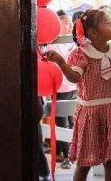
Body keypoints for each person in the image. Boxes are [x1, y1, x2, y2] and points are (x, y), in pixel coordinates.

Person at [44, 9, 111, 181]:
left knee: (110, 161)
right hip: (90, 114)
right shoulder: (82, 54)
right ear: (93, 32)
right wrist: (62, 63)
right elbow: (75, 77)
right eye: (107, 23)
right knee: (84, 162)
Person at [45, 9, 76, 169]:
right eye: (66, 22)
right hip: (58, 88)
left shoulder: (72, 42)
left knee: (72, 122)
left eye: (71, 22)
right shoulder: (51, 43)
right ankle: (67, 156)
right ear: (58, 23)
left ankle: (72, 154)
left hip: (73, 87)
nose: (70, 25)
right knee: (61, 123)